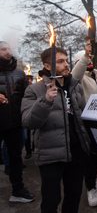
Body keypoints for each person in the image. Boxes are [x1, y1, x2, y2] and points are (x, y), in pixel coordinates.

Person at [21, 46, 91, 213]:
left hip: (76, 154)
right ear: (47, 66)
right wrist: (45, 101)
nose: (66, 64)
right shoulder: (34, 90)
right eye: (60, 62)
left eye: (66, 60)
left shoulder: (75, 86)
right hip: (51, 156)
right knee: (51, 201)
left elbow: (82, 116)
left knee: (73, 198)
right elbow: (28, 122)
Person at [71, 38, 97, 207]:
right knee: (91, 155)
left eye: (90, 59)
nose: (89, 62)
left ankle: (93, 177)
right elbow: (75, 74)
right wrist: (83, 57)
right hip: (87, 122)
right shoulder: (79, 79)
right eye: (86, 60)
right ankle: (90, 188)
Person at [0, 41, 35, 203]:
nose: (7, 51)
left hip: (14, 123)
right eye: (3, 49)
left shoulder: (20, 73)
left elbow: (26, 98)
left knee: (15, 158)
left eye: (8, 48)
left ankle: (18, 191)